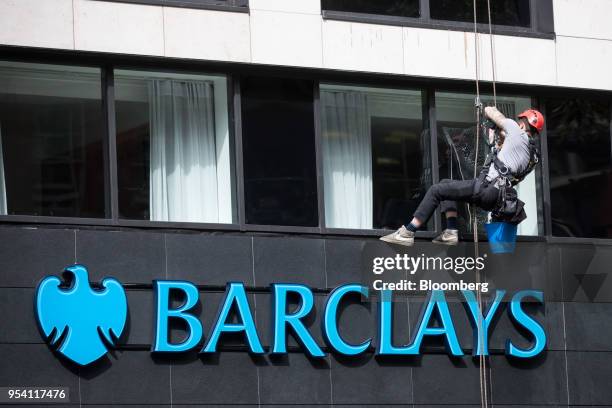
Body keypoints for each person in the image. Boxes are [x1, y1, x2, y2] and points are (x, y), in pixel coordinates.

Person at [380, 106, 544, 246]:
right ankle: (451, 230)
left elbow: (491, 111)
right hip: (496, 198)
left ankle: (408, 232)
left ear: (523, 124)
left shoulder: (516, 130)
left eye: (519, 121)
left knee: (436, 190)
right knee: (446, 184)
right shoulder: (532, 156)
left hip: (487, 188)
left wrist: (486, 109)